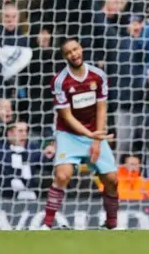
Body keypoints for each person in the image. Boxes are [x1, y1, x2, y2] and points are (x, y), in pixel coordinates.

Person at [40, 38, 116, 230]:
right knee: (62, 175)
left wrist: (97, 139)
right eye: (68, 52)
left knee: (112, 179)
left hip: (94, 133)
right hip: (69, 134)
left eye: (75, 49)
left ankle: (112, 224)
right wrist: (90, 135)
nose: (74, 54)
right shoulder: (59, 81)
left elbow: (101, 108)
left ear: (81, 49)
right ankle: (46, 224)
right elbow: (65, 116)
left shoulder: (98, 76)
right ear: (64, 57)